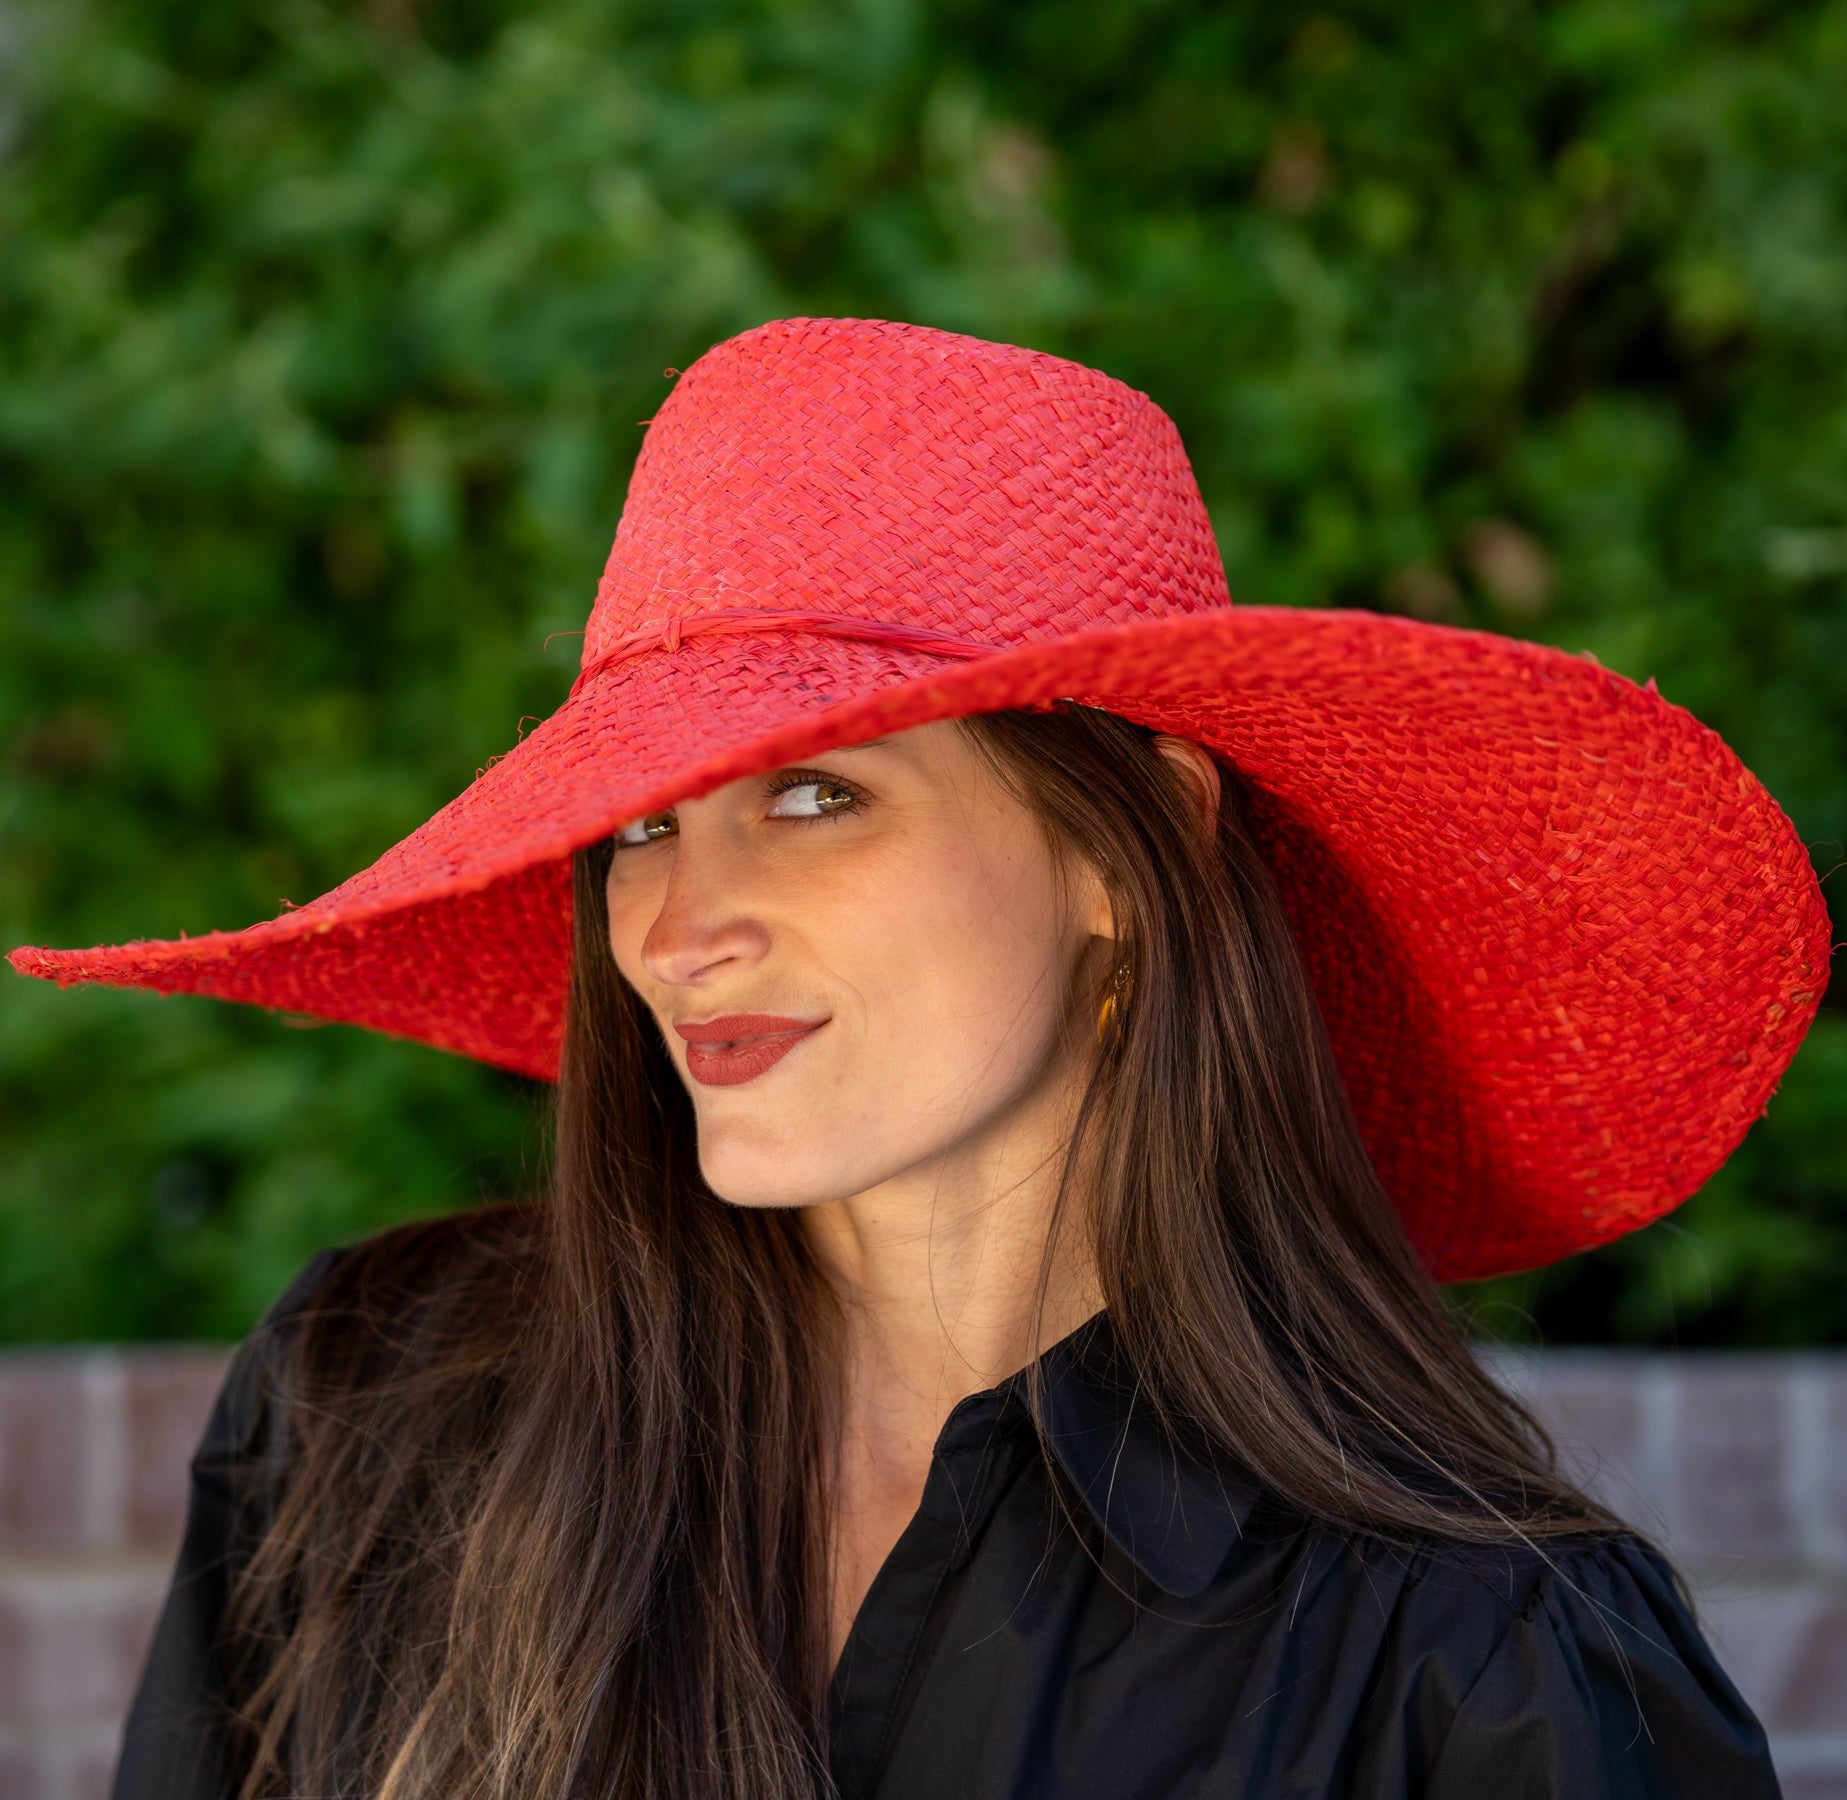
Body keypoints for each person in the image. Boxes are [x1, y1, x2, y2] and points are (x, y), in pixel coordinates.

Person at [12, 317, 1827, 1799]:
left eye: (816, 796)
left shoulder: (1469, 1662)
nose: (675, 925)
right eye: (640, 823)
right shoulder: (370, 1419)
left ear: (1134, 850)